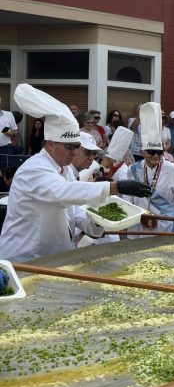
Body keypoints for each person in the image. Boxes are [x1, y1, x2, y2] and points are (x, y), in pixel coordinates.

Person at [0, 85, 150, 262]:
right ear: (49, 144)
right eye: (69, 147)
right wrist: (115, 187)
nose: (74, 152)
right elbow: (63, 192)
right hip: (24, 258)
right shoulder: (33, 170)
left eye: (77, 147)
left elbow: (76, 213)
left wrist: (97, 222)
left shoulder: (65, 171)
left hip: (54, 258)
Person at [125, 102, 174, 233]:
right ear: (142, 151)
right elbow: (128, 199)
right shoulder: (133, 169)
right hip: (139, 228)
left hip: (166, 228)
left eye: (159, 152)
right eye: (151, 152)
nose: (155, 156)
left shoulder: (173, 170)